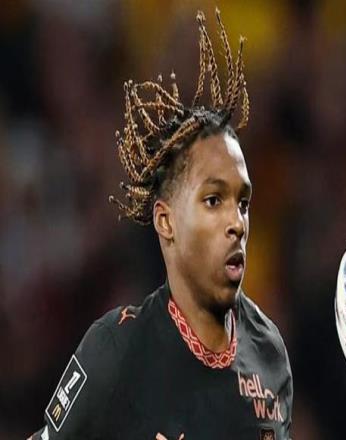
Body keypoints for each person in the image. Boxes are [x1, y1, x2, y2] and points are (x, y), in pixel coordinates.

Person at [29, 9, 292, 440]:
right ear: (166, 221)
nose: (236, 222)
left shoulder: (270, 354)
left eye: (242, 202)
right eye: (213, 201)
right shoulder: (117, 348)